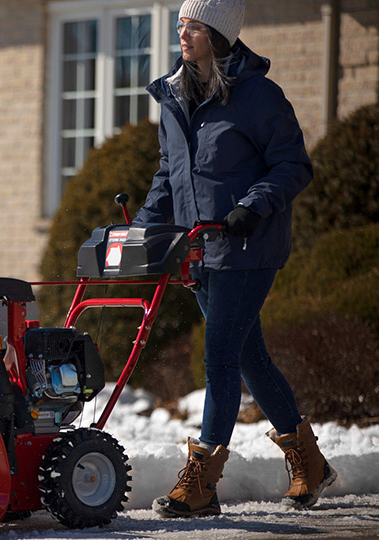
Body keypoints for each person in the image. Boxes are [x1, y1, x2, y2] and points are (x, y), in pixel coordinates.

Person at [134, 0, 338, 518]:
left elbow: (293, 163)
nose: (184, 33)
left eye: (195, 26)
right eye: (182, 23)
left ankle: (201, 482)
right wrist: (137, 234)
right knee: (249, 358)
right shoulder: (175, 97)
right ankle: (309, 464)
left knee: (220, 357)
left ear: (220, 37)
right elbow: (169, 178)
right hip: (200, 250)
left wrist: (254, 204)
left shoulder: (258, 97)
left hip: (249, 247)